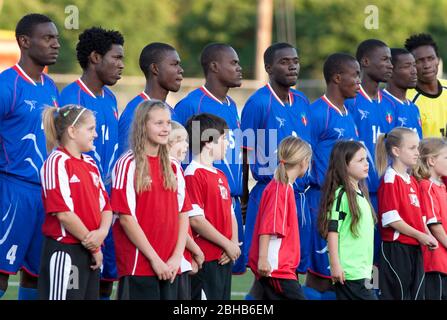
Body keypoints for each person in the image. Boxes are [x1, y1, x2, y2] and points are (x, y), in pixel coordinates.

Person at [241, 43, 312, 295]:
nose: (292, 65)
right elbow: (245, 155)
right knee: (271, 267)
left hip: (297, 194)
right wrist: (245, 198)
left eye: (295, 60)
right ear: (268, 67)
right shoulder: (258, 103)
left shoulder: (303, 101)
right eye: (284, 61)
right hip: (270, 192)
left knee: (286, 268)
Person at [59, 26, 124, 299]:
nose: (121, 65)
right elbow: (60, 155)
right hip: (78, 202)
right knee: (73, 279)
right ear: (95, 58)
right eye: (116, 58)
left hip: (106, 204)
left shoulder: (109, 98)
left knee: (105, 277)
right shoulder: (71, 98)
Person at [0, 13, 60, 300]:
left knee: (38, 275)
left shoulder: (50, 87)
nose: (55, 44)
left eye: (57, 38)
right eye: (47, 38)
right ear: (24, 42)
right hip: (13, 191)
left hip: (45, 195)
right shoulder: (7, 85)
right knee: (1, 272)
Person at [173, 43, 245, 274]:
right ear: (214, 66)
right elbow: (180, 157)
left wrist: (242, 194)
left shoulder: (232, 105)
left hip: (229, 202)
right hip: (202, 207)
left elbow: (237, 153)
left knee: (226, 274)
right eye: (233, 63)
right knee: (205, 276)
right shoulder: (191, 105)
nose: (239, 68)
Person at [111, 100, 188, 300]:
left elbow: (183, 214)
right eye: (159, 123)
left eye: (168, 123)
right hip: (140, 265)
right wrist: (155, 260)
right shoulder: (127, 164)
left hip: (171, 265)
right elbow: (126, 218)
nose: (165, 129)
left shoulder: (174, 166)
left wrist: (176, 257)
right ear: (143, 125)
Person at [38, 105, 112, 300]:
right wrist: (93, 245)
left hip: (90, 249)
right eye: (90, 129)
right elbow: (63, 213)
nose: (96, 134)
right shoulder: (57, 162)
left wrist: (102, 234)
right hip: (66, 251)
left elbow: (105, 206)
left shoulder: (90, 163)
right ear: (72, 131)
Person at [306, 53, 360, 299]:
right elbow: (304, 156)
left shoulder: (348, 112)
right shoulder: (317, 112)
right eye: (355, 75)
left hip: (345, 198)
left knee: (340, 271)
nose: (359, 81)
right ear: (337, 78)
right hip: (322, 199)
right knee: (320, 274)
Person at [375, 127, 438, 299]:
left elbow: (420, 218)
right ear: (396, 151)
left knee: (416, 295)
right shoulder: (390, 178)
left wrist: (427, 236)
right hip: (397, 249)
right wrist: (421, 235)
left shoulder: (412, 181)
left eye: (417, 147)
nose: (417, 153)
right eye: (412, 148)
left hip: (415, 247)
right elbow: (392, 218)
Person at [184, 113, 240, 300]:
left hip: (223, 257)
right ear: (208, 141)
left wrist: (232, 244)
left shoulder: (220, 174)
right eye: (224, 138)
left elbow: (230, 213)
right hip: (205, 259)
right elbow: (196, 220)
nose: (228, 144)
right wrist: (226, 244)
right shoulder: (193, 174)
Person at [248, 136, 311, 300]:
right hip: (277, 269)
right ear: (303, 162)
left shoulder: (285, 188)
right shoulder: (279, 189)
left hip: (280, 268)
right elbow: (268, 227)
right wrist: (262, 259)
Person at [318, 141, 377, 300]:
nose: (366, 164)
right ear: (344, 165)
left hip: (364, 272)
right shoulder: (341, 195)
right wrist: (335, 265)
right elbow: (333, 231)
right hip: (349, 273)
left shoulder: (361, 193)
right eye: (360, 160)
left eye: (366, 159)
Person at [119, 42, 183, 155]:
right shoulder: (136, 111)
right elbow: (128, 162)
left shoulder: (169, 110)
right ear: (155, 68)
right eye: (174, 64)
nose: (180, 70)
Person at [168, 121, 205, 300]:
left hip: (179, 253)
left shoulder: (177, 169)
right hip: (172, 255)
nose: (187, 145)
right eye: (181, 140)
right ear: (168, 142)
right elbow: (175, 219)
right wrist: (195, 249)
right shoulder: (172, 168)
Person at [414, 138, 447, 299]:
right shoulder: (426, 186)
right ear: (432, 160)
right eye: (446, 158)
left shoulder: (442, 185)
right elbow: (434, 225)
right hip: (436, 261)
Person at [405, 33, 447, 138]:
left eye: (431, 58)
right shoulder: (408, 101)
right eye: (419, 61)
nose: (427, 65)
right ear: (412, 65)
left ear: (438, 60)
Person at [382, 48, 422, 138]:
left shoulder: (414, 107)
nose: (414, 71)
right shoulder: (381, 103)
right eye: (407, 66)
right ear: (390, 71)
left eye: (414, 65)